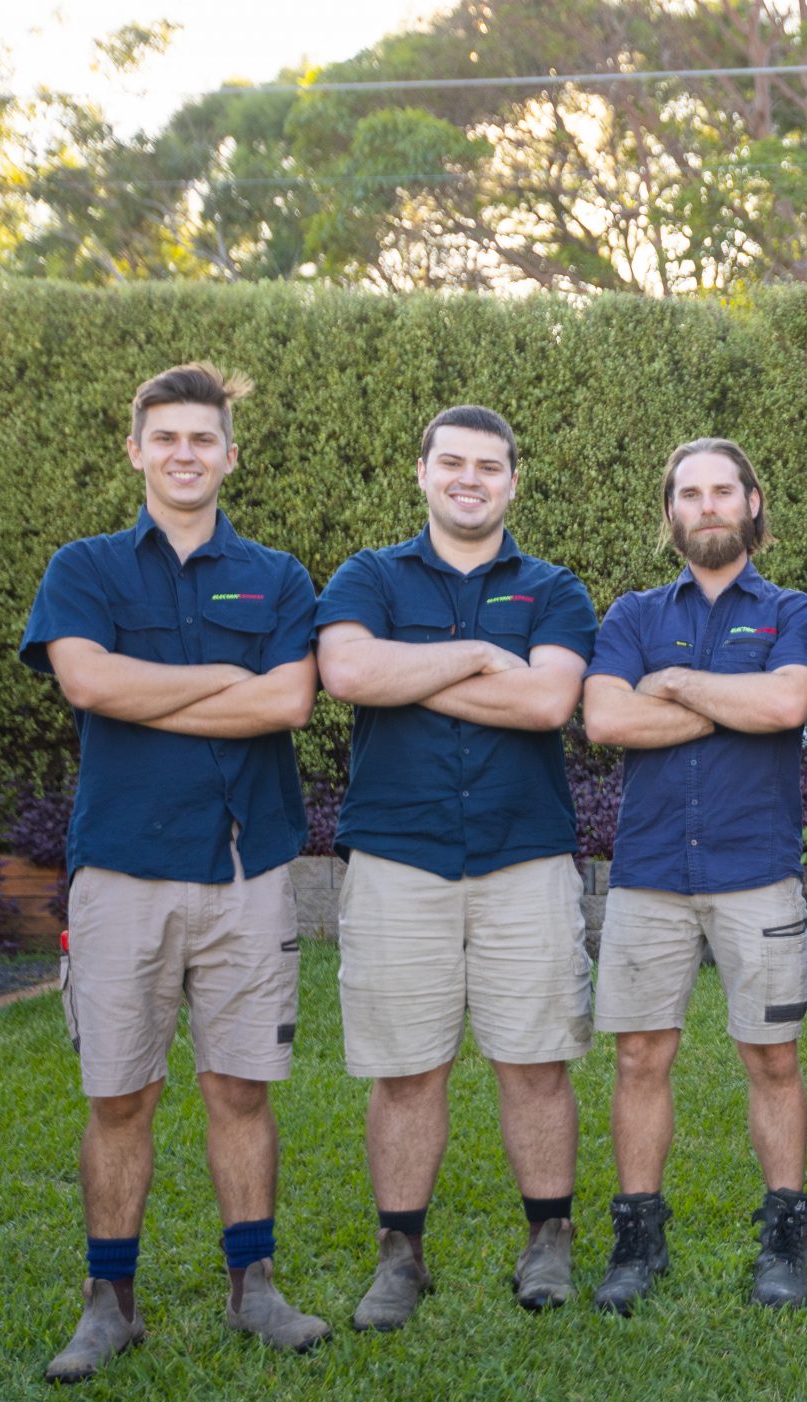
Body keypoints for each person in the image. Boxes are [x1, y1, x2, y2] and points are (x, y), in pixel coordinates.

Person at [20, 362, 330, 1381]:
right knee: (121, 1095)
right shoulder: (87, 568)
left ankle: (256, 1288)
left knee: (240, 1086)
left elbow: (287, 704)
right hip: (123, 868)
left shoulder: (279, 577)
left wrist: (148, 692)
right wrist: (221, 683)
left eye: (204, 439)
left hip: (246, 869)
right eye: (168, 438)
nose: (186, 454)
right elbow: (85, 679)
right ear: (137, 450)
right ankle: (110, 1301)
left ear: (229, 454)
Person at [314, 405, 598, 1325]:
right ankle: (402, 1255)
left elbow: (550, 701)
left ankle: (548, 1240)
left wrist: (421, 676)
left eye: (490, 466)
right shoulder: (368, 576)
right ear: (424, 473)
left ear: (515, 480)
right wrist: (481, 657)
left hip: (525, 855)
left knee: (538, 1061)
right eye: (453, 464)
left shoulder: (554, 588)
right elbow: (351, 676)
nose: (470, 479)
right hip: (400, 856)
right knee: (407, 1069)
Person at [583, 439, 807, 1314]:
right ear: (671, 513)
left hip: (755, 869)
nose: (709, 505)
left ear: (755, 503)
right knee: (641, 1055)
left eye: (725, 490)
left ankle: (784, 1244)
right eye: (691, 493)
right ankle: (637, 1242)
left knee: (772, 1057)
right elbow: (606, 718)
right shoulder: (631, 614)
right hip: (650, 873)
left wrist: (678, 683)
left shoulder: (795, 610)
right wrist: (733, 705)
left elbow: (787, 705)